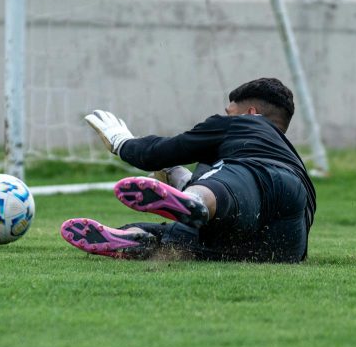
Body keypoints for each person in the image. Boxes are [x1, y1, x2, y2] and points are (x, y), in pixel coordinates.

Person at [61, 77, 317, 263]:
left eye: (230, 112)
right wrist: (177, 174)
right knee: (172, 232)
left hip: (259, 181)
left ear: (250, 113)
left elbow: (165, 150)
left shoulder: (245, 126)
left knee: (220, 183)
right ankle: (136, 238)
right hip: (284, 245)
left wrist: (123, 143)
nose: (226, 116)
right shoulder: (290, 156)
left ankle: (192, 201)